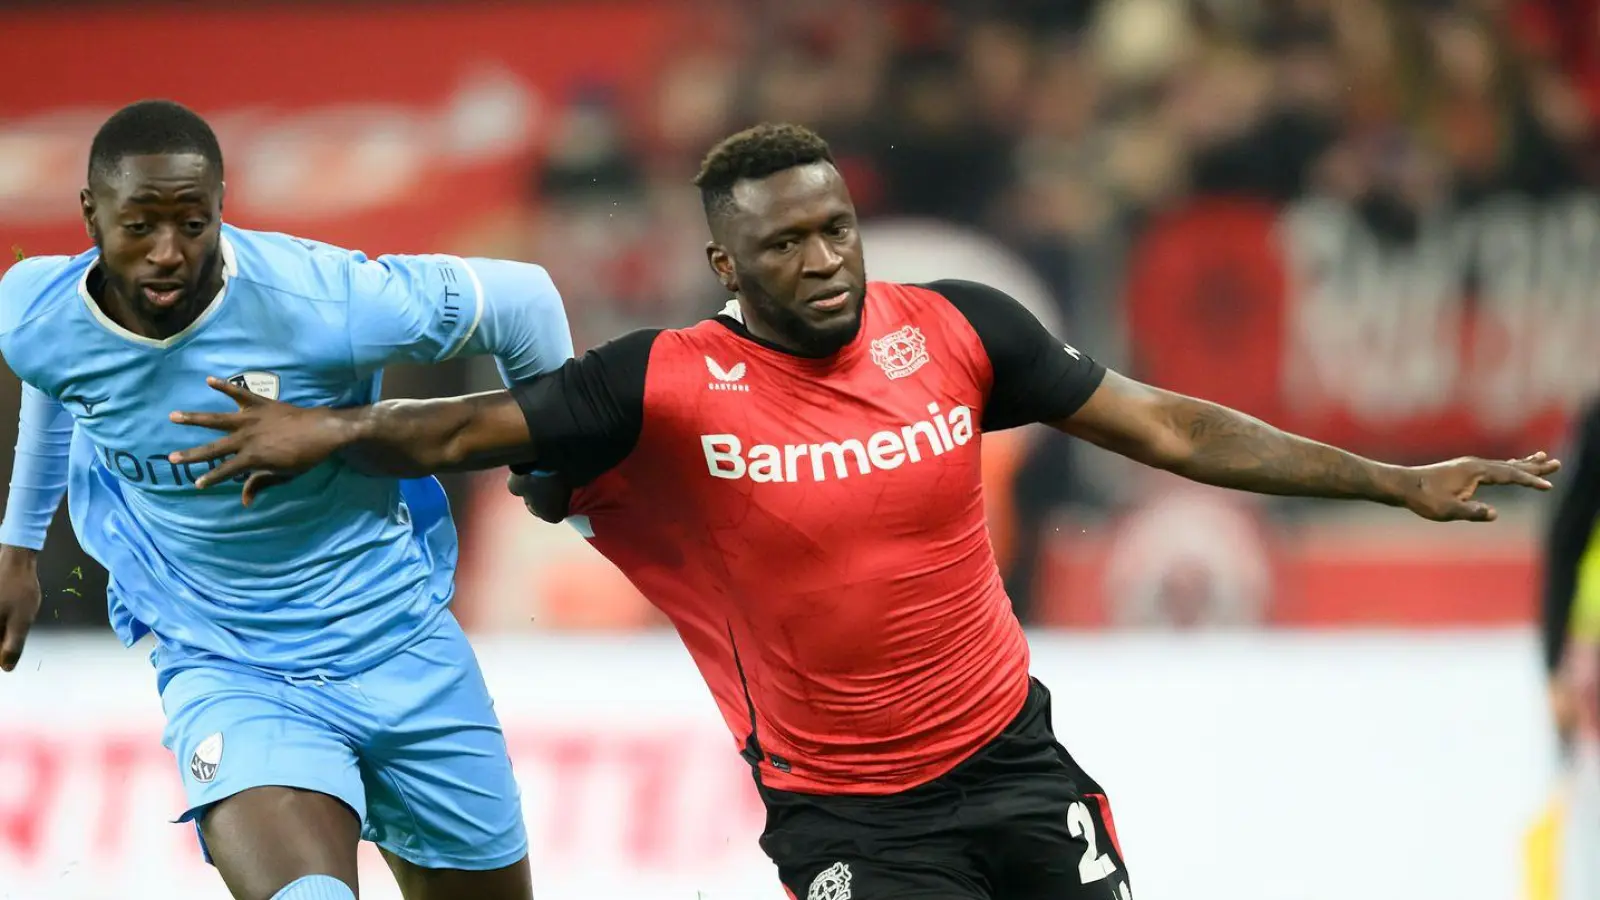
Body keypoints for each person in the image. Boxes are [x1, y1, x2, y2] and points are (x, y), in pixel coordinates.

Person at [167, 123, 1560, 900]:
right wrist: (317, 432)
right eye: (783, 243)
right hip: (851, 819)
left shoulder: (956, 330)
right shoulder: (663, 382)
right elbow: (463, 428)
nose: (824, 259)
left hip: (1016, 763)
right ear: (726, 262)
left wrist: (1390, 480)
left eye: (835, 228)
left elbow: (1169, 426)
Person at [0, 100, 573, 900]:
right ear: (90, 213)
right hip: (228, 667)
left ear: (221, 208)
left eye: (192, 225)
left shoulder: (323, 299)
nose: (167, 253)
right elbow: (54, 372)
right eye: (138, 227)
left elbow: (525, 303)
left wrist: (558, 465)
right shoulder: (33, 308)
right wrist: (19, 546)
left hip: (399, 643)